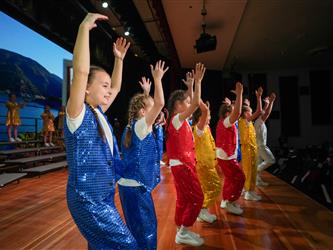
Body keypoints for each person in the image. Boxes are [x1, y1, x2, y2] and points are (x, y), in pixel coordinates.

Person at [64, 13, 137, 249]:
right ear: (85, 89)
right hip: (87, 199)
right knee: (127, 245)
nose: (109, 90)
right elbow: (82, 71)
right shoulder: (77, 114)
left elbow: (115, 88)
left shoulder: (98, 113)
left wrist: (119, 60)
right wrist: (84, 27)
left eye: (108, 86)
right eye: (102, 86)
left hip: (103, 195)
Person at [119, 61, 168, 250]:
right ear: (142, 111)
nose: (155, 110)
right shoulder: (140, 126)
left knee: (138, 230)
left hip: (130, 187)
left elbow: (149, 107)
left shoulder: (135, 126)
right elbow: (160, 103)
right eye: (151, 107)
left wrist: (147, 94)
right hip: (135, 188)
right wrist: (157, 79)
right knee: (147, 231)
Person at [166, 63, 206, 247]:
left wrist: (190, 87)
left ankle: (181, 230)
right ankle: (183, 231)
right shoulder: (176, 119)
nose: (190, 105)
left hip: (182, 164)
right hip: (182, 165)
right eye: (186, 103)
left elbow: (191, 101)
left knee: (184, 198)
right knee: (197, 197)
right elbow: (196, 102)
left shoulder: (179, 119)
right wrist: (198, 82)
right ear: (178, 105)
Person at [216, 82, 245, 215]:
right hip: (227, 156)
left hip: (224, 155)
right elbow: (238, 112)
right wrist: (239, 94)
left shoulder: (223, 120)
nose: (233, 111)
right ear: (228, 113)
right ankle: (230, 201)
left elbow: (235, 111)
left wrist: (230, 103)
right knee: (240, 178)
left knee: (229, 178)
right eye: (231, 110)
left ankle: (225, 200)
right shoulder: (227, 121)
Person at [192, 100, 221, 223]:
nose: (210, 117)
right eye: (208, 115)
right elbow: (205, 113)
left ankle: (202, 211)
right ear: (201, 116)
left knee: (207, 189)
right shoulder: (199, 128)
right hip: (203, 165)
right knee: (216, 187)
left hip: (207, 164)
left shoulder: (206, 128)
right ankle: (202, 209)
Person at [239, 87, 263, 201]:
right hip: (247, 151)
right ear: (244, 113)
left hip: (252, 150)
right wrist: (258, 98)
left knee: (253, 171)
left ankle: (251, 190)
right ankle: (248, 192)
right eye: (249, 111)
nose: (252, 112)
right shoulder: (244, 121)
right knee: (249, 172)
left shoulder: (249, 122)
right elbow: (259, 111)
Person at [254, 93, 276, 186]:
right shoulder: (259, 121)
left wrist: (266, 104)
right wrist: (271, 102)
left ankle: (257, 180)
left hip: (258, 146)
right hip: (261, 146)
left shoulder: (258, 121)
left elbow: (263, 111)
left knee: (259, 162)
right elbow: (266, 113)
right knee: (271, 160)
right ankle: (254, 172)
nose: (263, 111)